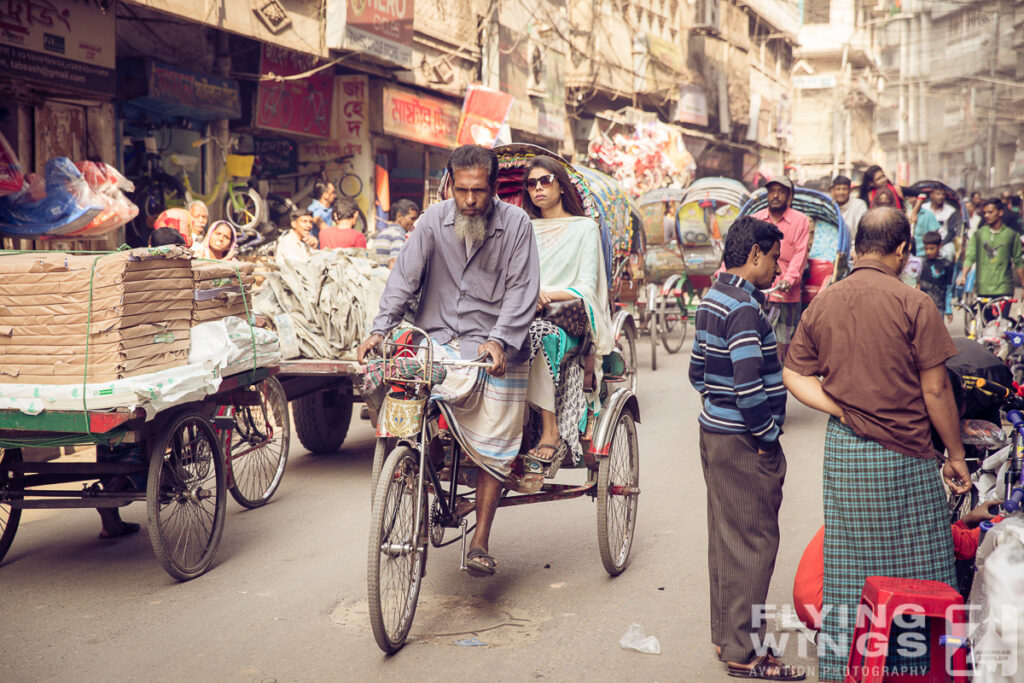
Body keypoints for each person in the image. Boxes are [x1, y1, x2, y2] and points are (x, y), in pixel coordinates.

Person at [782, 207, 971, 682]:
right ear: (903, 250)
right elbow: (935, 391)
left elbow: (794, 374)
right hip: (908, 454)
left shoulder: (824, 302)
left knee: (851, 565)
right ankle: (917, 666)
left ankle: (851, 665)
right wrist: (955, 455)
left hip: (848, 453)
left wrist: (840, 410)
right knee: (921, 563)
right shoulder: (915, 303)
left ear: (858, 245)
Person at [356, 145, 540, 578]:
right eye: (462, 191)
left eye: (479, 191)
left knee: (496, 429)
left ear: (494, 188)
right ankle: (418, 466)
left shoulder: (516, 225)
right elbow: (403, 279)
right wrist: (379, 329)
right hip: (436, 337)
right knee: (396, 387)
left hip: (493, 345)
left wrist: (499, 340)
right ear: (449, 186)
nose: (470, 200)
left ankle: (480, 540)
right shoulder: (430, 223)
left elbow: (521, 290)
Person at [689, 217, 804, 681]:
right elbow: (749, 386)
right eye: (775, 258)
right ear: (755, 253)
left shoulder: (712, 298)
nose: (778, 268)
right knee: (754, 543)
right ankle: (745, 652)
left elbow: (698, 373)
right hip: (743, 440)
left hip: (714, 433)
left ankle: (728, 636)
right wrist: (767, 435)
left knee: (726, 538)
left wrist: (718, 403)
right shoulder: (743, 308)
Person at [520, 156, 613, 466]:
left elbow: (587, 286)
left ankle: (550, 430)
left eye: (545, 180)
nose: (538, 188)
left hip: (566, 318)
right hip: (523, 311)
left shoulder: (584, 228)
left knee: (539, 335)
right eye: (531, 184)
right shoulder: (524, 229)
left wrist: (545, 294)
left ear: (560, 185)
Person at [792, 501, 1004, 631]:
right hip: (824, 607)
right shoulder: (910, 512)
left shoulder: (867, 504)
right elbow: (967, 546)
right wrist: (1004, 518)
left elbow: (947, 539)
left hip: (810, 604)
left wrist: (966, 521)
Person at [752, 177, 810, 362]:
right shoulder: (756, 219)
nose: (775, 195)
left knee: (782, 345)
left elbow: (800, 255)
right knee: (754, 340)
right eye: (771, 191)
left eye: (781, 191)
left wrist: (789, 279)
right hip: (760, 290)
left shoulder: (800, 221)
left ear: (789, 196)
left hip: (786, 292)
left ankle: (779, 381)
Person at [956, 198, 1024, 299]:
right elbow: (970, 257)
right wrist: (964, 276)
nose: (986, 215)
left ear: (1000, 212)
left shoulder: (1011, 235)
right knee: (985, 315)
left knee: (1003, 315)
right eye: (985, 213)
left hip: (1004, 289)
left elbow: (1018, 261)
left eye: (990, 212)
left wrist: (1023, 284)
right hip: (983, 289)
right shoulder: (978, 235)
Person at [913, 187, 961, 261]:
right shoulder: (923, 208)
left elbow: (951, 232)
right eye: (938, 194)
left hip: (944, 242)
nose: (941, 197)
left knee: (949, 252)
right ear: (931, 195)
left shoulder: (951, 211)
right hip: (925, 243)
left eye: (943, 194)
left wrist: (939, 245)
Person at [918, 231, 955, 323]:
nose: (928, 252)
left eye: (931, 248)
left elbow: (949, 287)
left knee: (937, 334)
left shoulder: (947, 264)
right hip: (922, 305)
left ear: (940, 246)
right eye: (926, 248)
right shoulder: (921, 262)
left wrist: (948, 309)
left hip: (939, 306)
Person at [371, 198, 419, 266]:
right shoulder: (399, 235)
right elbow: (394, 262)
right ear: (399, 216)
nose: (415, 223)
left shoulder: (381, 234)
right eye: (412, 219)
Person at [830, 175, 867, 244]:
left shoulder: (859, 205)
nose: (841, 192)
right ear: (833, 190)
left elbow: (862, 231)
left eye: (844, 189)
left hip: (853, 246)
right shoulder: (829, 206)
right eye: (838, 189)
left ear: (850, 191)